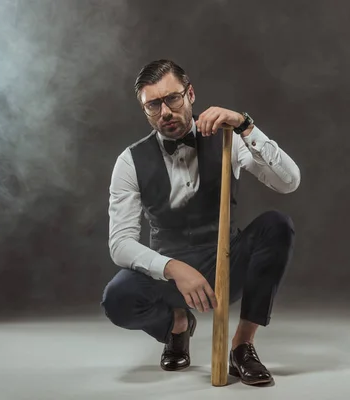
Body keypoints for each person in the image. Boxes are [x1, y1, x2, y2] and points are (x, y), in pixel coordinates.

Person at [101, 59, 300, 386]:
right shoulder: (129, 161)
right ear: (145, 110)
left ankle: (242, 346)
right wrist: (173, 269)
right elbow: (120, 244)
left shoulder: (229, 139)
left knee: (276, 224)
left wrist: (245, 125)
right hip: (170, 274)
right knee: (117, 298)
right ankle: (177, 325)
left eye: (173, 99)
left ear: (190, 94)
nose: (165, 111)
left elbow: (288, 181)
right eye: (153, 105)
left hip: (227, 259)